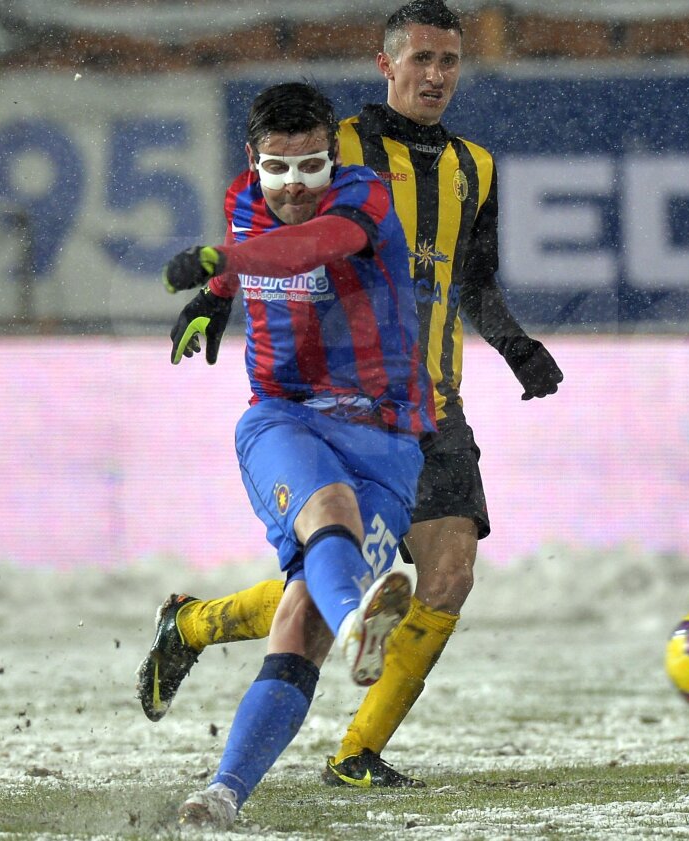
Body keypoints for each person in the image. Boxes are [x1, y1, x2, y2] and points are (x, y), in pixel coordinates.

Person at [136, 0, 563, 791]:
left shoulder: (477, 165)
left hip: (430, 399)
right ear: (387, 65)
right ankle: (198, 624)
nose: (435, 76)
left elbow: (472, 275)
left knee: (447, 572)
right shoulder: (342, 151)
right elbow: (283, 229)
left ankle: (356, 749)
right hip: (332, 400)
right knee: (339, 580)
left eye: (449, 62)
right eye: (421, 60)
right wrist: (218, 293)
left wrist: (514, 345)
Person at [160, 80, 435, 829]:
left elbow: (317, 245)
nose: (292, 186)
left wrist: (226, 263)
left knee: (297, 622)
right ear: (253, 160)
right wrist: (219, 291)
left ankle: (221, 794)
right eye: (276, 170)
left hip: (388, 436)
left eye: (310, 166)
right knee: (331, 515)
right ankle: (361, 626)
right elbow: (261, 253)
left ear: (333, 155)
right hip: (283, 419)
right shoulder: (243, 201)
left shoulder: (365, 198)